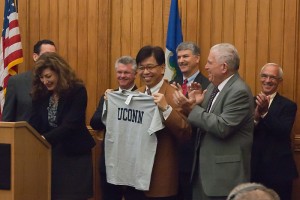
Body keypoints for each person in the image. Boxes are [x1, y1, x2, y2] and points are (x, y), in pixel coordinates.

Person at [173, 43, 254, 200]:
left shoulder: (239, 91)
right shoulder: (212, 87)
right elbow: (204, 118)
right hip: (203, 174)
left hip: (223, 178)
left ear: (223, 67)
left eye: (210, 62)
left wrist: (191, 109)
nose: (206, 66)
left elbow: (222, 126)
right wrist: (195, 103)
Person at [29, 52, 95, 200]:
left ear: (59, 72)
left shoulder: (77, 90)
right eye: (41, 77)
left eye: (48, 76)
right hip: (49, 154)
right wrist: (28, 138)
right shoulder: (40, 93)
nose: (45, 81)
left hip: (74, 155)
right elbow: (33, 122)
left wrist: (42, 138)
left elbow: (70, 125)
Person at [135, 45, 191, 200]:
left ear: (162, 68)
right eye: (141, 67)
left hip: (161, 176)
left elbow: (185, 132)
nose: (145, 72)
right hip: (136, 177)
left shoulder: (174, 95)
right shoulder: (136, 94)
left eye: (150, 67)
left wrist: (166, 109)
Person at [90, 56, 145, 200]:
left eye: (126, 73)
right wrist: (108, 107)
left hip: (135, 164)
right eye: (119, 72)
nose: (122, 76)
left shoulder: (143, 97)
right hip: (110, 162)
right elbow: (95, 123)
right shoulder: (109, 96)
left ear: (135, 74)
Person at [251, 63, 298, 200]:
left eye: (272, 77)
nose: (267, 80)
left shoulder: (288, 105)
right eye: (264, 76)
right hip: (254, 170)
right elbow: (245, 133)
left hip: (279, 171)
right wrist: (255, 118)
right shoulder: (249, 102)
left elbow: (283, 131)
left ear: (279, 81)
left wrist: (265, 113)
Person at [171, 41, 209, 200]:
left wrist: (190, 106)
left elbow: (207, 120)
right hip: (171, 154)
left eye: (185, 56)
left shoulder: (208, 85)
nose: (181, 61)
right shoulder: (173, 81)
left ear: (197, 58)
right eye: (179, 57)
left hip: (194, 156)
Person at [2, 39, 56, 122]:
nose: (50, 59)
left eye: (54, 56)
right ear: (35, 57)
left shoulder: (60, 81)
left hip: (52, 133)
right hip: (23, 133)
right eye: (46, 55)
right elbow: (7, 119)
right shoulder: (17, 82)